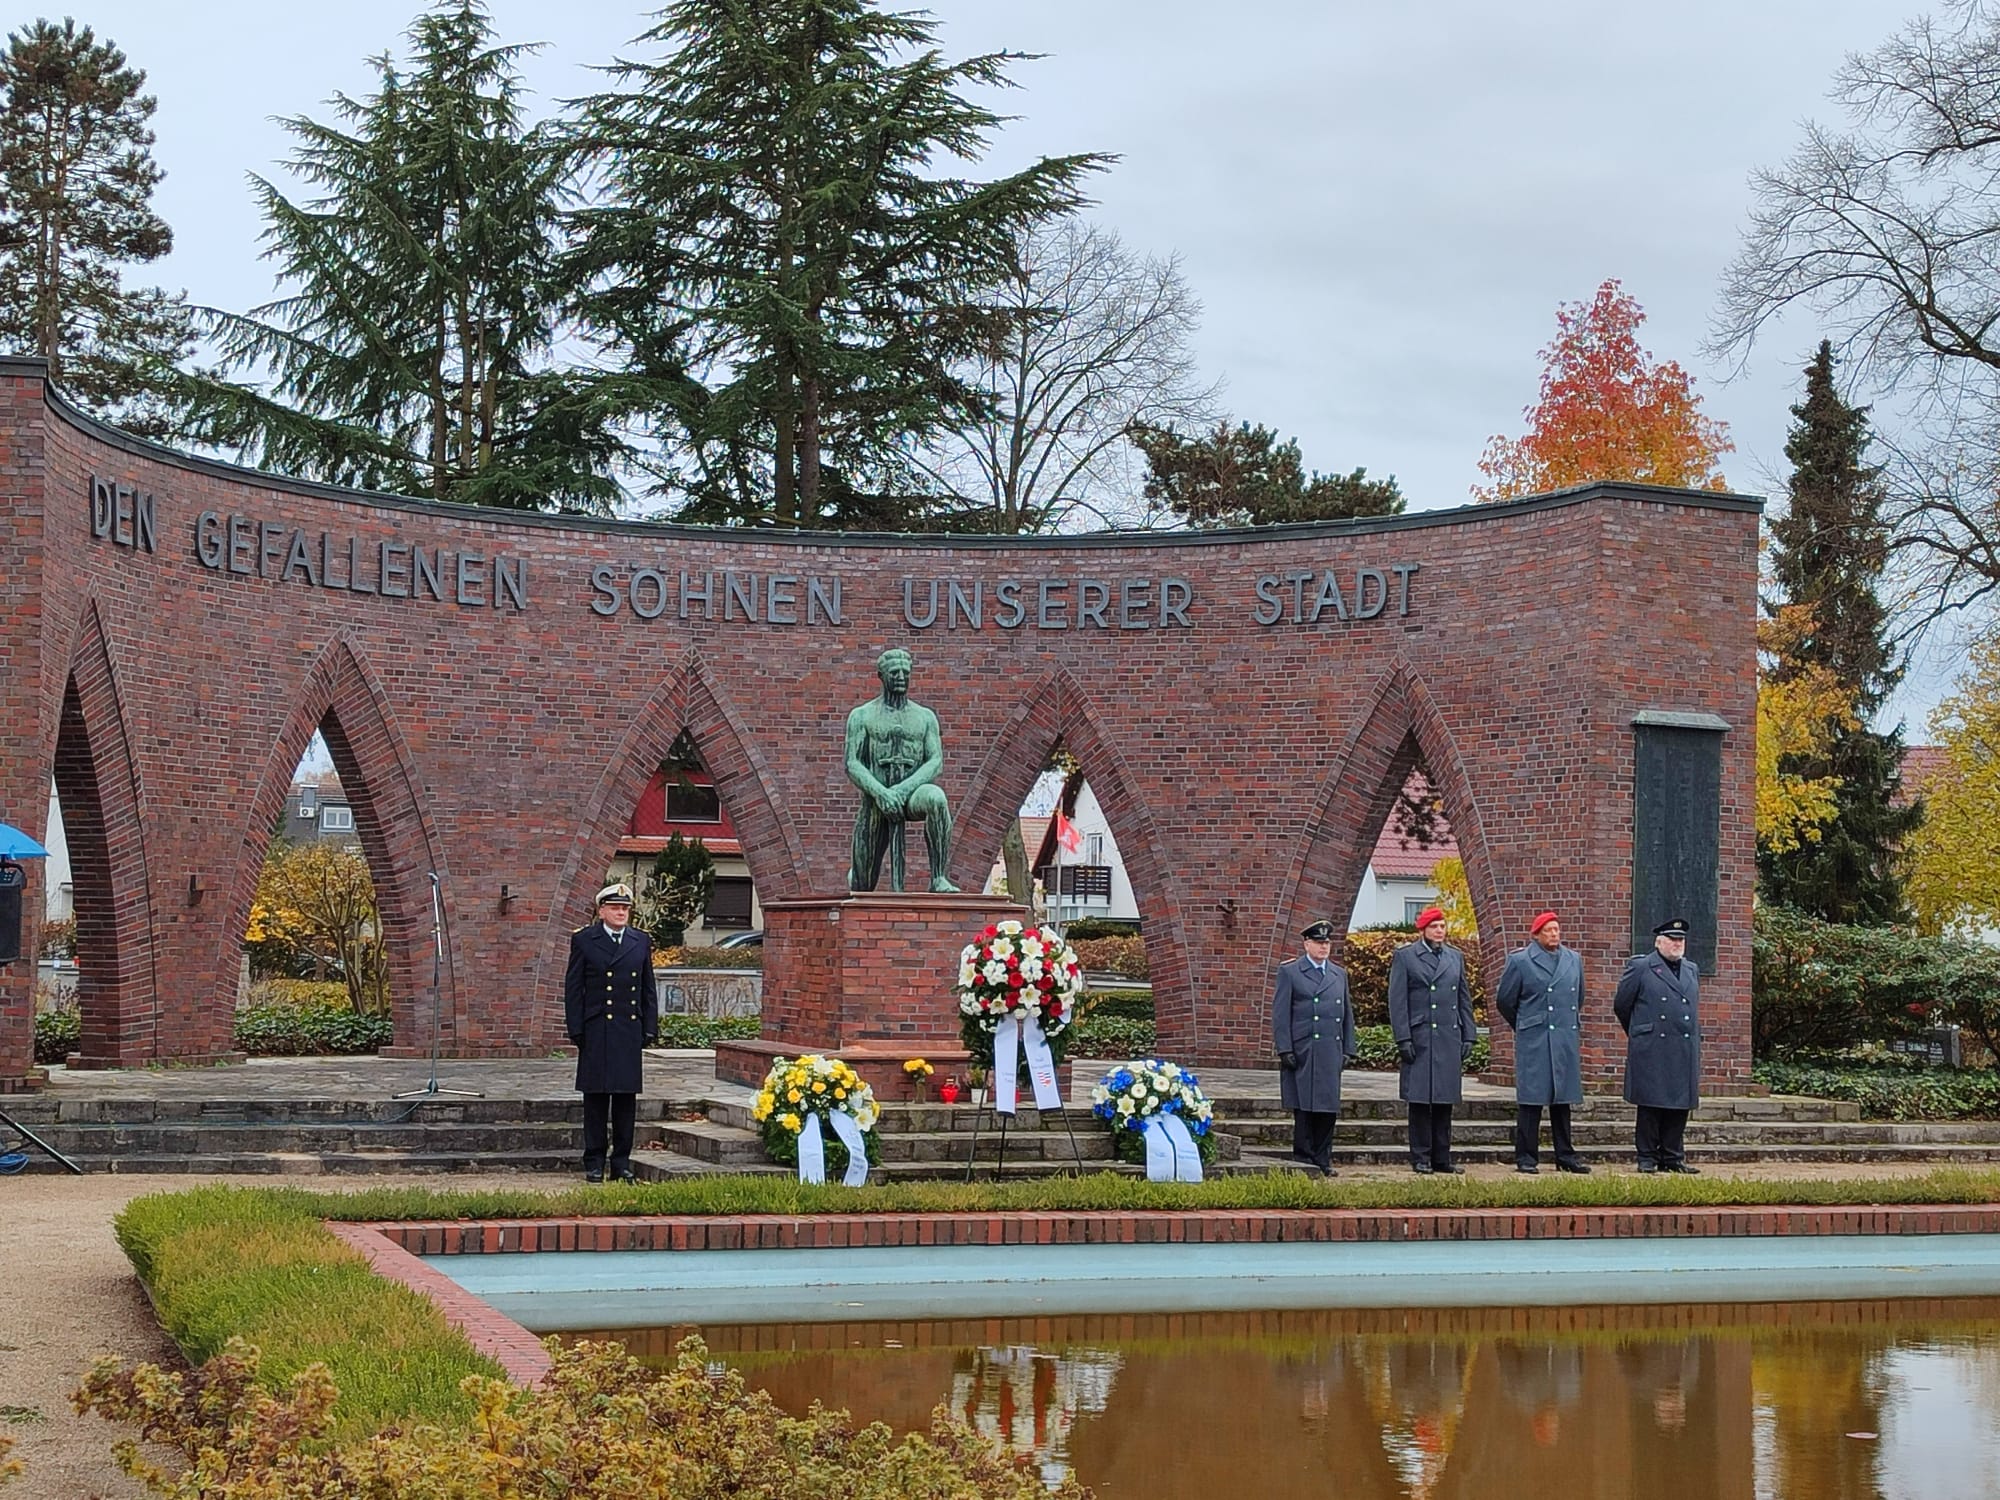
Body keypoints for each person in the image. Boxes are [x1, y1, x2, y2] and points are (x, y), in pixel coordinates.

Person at [564, 881, 659, 1183]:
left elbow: (647, 987)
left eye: (626, 908)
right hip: (596, 1029)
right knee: (595, 1100)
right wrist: (576, 1028)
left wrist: (649, 1026)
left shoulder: (640, 941)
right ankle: (594, 1161)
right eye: (615, 907)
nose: (621, 912)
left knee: (624, 1101)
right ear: (601, 910)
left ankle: (621, 1162)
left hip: (627, 1029)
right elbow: (573, 988)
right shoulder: (585, 940)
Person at [845, 647, 959, 893]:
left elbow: (935, 760)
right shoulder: (862, 715)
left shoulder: (925, 717)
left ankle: (938, 877)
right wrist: (881, 793)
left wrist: (902, 790)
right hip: (877, 798)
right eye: (894, 672)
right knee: (862, 884)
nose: (900, 677)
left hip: (913, 794)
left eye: (905, 673)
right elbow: (852, 763)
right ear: (881, 675)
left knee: (936, 798)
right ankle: (858, 870)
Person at [1495, 910, 1590, 1174]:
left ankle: (1566, 1156)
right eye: (1548, 930)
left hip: (1563, 1037)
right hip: (1534, 1037)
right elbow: (1505, 1000)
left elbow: (1577, 998)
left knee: (1563, 1100)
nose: (1554, 934)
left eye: (1557, 929)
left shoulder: (1573, 960)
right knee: (1532, 1100)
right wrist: (1525, 1023)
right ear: (1536, 935)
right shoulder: (1521, 961)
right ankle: (1527, 1157)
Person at [1388, 907, 1476, 1174]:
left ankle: (1442, 1157)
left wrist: (1469, 1034)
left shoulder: (1455, 957)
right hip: (1421, 1036)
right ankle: (1421, 1157)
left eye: (1442, 926)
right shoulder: (1406, 957)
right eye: (1435, 926)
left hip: (1448, 1036)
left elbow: (1464, 998)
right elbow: (1397, 1000)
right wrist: (1402, 1037)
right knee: (1420, 1101)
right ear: (1423, 929)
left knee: (1443, 1101)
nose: (1440, 930)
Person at [1613, 917, 1702, 1174]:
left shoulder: (1691, 969)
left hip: (1683, 1044)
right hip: (1652, 1045)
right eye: (1672, 939)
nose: (1677, 944)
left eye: (1681, 940)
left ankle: (1673, 1157)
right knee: (1651, 1104)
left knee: (1679, 1104)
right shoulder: (1642, 966)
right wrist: (1641, 1031)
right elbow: (1622, 1004)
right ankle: (1647, 1157)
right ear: (1659, 941)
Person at [1271, 919, 1358, 1175]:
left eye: (1327, 943)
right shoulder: (1291, 972)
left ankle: (1323, 1159)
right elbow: (1281, 1014)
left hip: (1331, 1050)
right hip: (1304, 1049)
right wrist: (1285, 1048)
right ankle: (1303, 1158)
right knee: (1305, 1108)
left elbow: (1347, 1013)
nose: (1324, 947)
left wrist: (1348, 1049)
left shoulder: (1338, 974)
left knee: (1327, 1107)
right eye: (1319, 942)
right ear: (1306, 944)